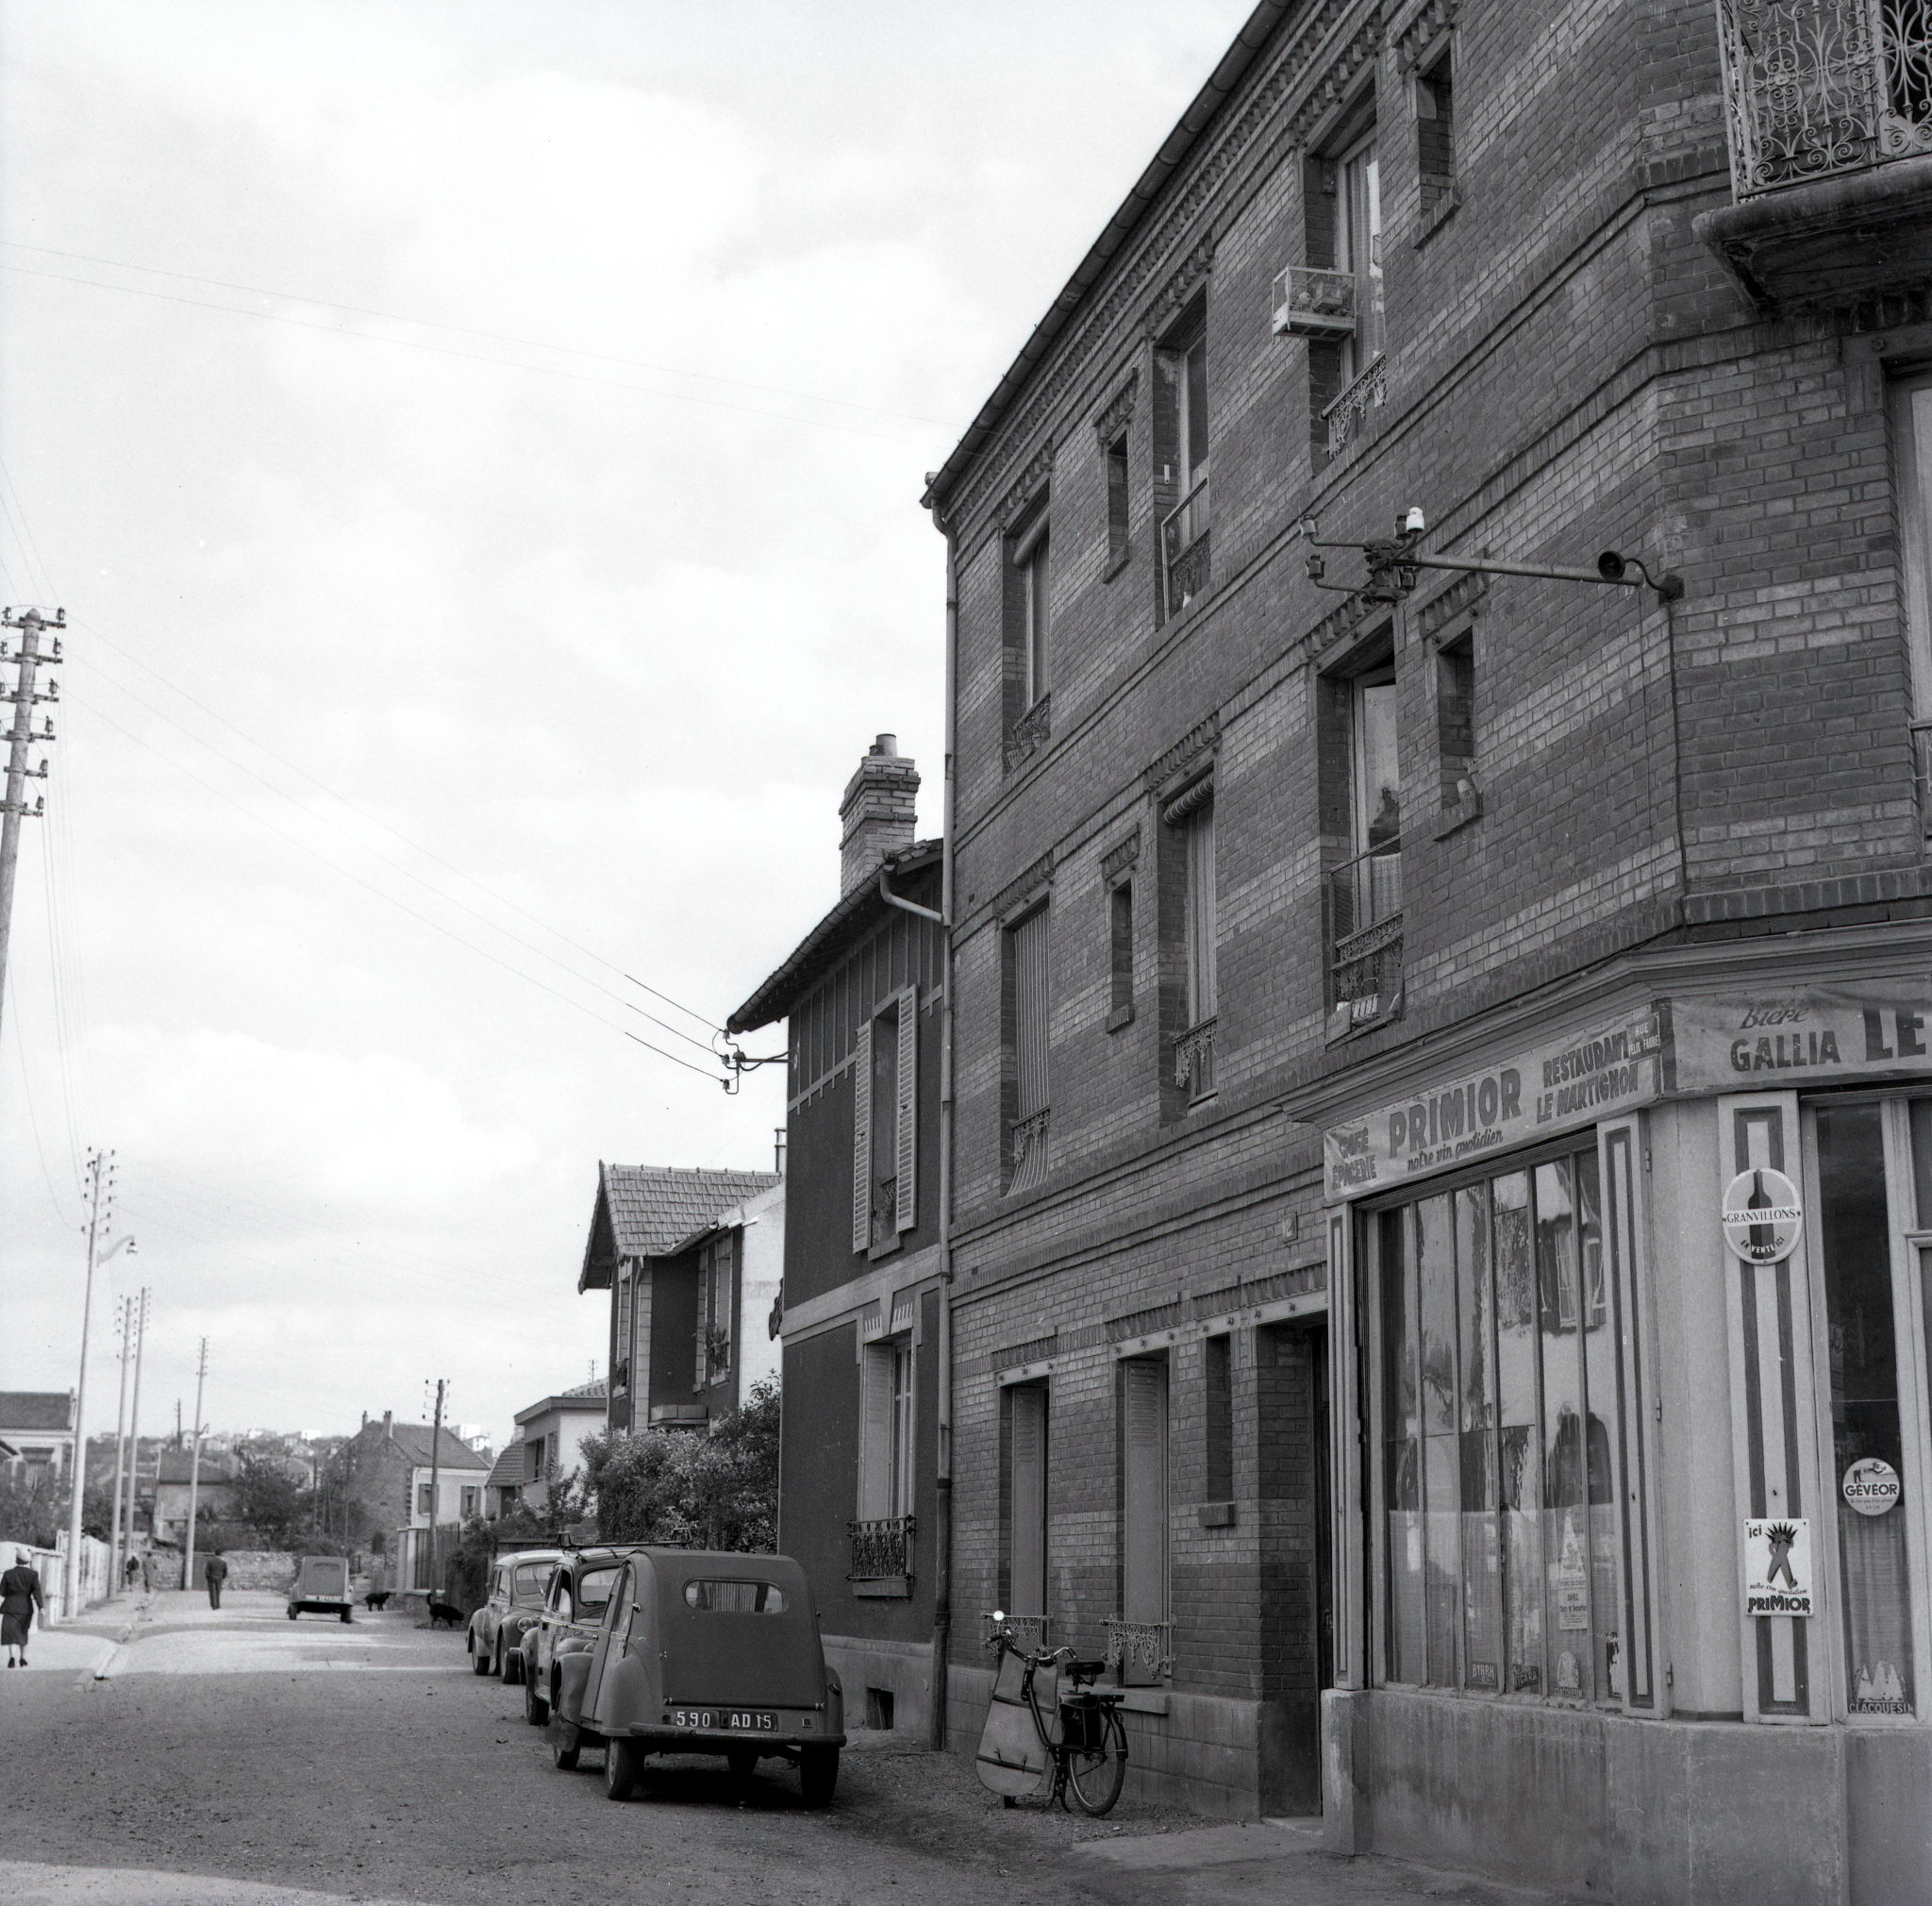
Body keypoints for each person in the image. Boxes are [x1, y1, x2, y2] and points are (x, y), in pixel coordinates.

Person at [2, 1547, 45, 1667]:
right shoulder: (33, 1575)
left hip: (10, 1606)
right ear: (28, 1561)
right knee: (22, 1631)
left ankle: (11, 1658)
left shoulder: (8, 1574)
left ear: (17, 1560)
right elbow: (37, 1592)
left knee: (10, 1632)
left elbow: (2, 1592)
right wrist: (41, 1607)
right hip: (25, 1607)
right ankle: (22, 1658)